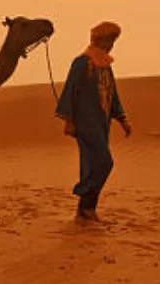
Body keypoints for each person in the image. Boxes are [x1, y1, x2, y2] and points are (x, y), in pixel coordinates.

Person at [55, 21, 132, 223]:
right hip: (85, 123)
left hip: (101, 122)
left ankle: (87, 209)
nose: (112, 44)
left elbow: (112, 93)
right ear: (101, 39)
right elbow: (70, 91)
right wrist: (69, 121)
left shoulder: (105, 64)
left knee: (92, 163)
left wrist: (122, 119)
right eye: (110, 40)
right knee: (104, 161)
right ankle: (84, 198)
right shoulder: (82, 63)